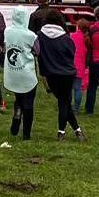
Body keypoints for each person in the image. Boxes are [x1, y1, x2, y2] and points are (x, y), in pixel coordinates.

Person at [35, 13, 87, 141]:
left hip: (51, 74)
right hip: (67, 74)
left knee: (64, 102)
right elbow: (71, 53)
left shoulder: (39, 36)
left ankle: (75, 131)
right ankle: (63, 132)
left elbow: (37, 53)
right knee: (65, 102)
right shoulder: (66, 38)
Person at [4, 6, 39, 140]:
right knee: (29, 103)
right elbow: (37, 51)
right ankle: (26, 134)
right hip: (27, 73)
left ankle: (17, 114)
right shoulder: (31, 35)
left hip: (12, 72)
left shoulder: (7, 31)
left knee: (18, 97)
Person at [70, 19, 89, 112]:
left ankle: (66, 106)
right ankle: (76, 108)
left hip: (70, 66)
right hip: (80, 67)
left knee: (68, 88)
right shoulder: (86, 39)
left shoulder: (72, 36)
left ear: (78, 27)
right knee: (78, 88)